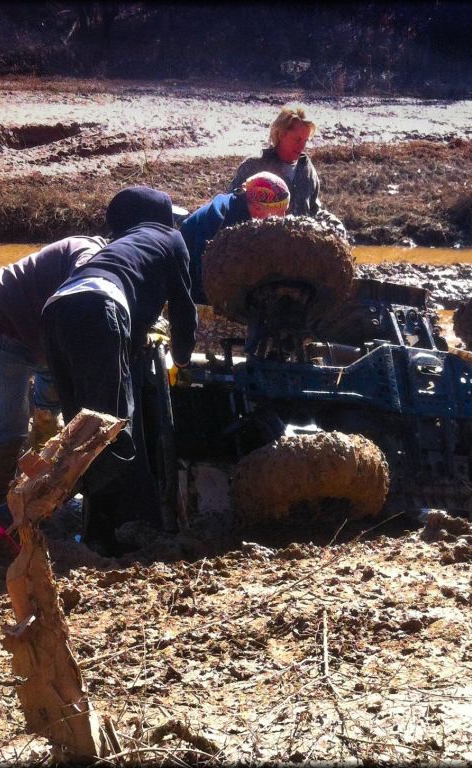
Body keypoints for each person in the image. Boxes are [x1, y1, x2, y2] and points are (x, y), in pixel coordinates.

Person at [41, 185, 198, 553]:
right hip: (100, 306)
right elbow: (183, 309)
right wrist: (184, 362)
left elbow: (137, 295)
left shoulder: (123, 244)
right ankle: (101, 535)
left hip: (57, 309)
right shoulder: (171, 238)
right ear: (161, 216)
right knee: (109, 430)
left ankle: (39, 513)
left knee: (79, 429)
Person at [0, 234, 107, 511]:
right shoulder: (88, 253)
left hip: (39, 333)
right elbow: (81, 300)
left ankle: (37, 477)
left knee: (49, 412)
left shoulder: (100, 257)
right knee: (8, 425)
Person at [227, 102, 345, 236]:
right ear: (281, 134)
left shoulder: (307, 170)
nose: (302, 147)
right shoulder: (255, 165)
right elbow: (230, 208)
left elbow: (313, 211)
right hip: (259, 249)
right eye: (297, 140)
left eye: (305, 141)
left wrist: (334, 225)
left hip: (299, 250)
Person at [179, 171, 290, 303]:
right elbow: (205, 276)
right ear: (257, 209)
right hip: (189, 287)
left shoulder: (246, 207)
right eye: (279, 213)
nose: (283, 218)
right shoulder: (220, 222)